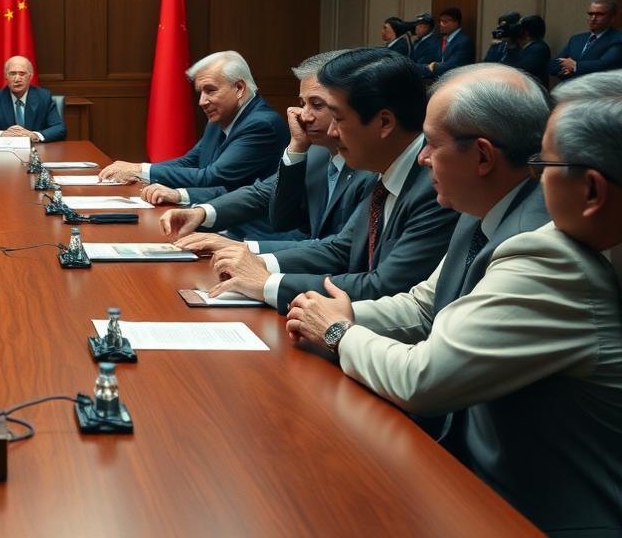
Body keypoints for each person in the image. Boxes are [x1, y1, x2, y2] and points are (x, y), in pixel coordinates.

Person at [286, 81, 621, 535]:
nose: (422, 158)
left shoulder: (548, 254)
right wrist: (328, 316)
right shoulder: (484, 211)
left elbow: (422, 380)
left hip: (529, 514)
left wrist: (338, 333)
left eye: (544, 163)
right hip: (473, 478)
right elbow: (426, 306)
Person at [200, 48, 458, 311]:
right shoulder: (384, 164)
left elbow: (384, 286)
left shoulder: (436, 184)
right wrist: (259, 263)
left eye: (338, 118)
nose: (332, 132)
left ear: (384, 123)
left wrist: (268, 284)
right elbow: (342, 248)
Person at [159, 50, 376, 247]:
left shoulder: (371, 166)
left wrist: (243, 249)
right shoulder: (317, 150)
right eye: (303, 104)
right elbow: (263, 193)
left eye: (317, 105)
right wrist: (201, 213)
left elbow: (338, 249)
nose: (304, 116)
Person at [99, 50, 287, 190]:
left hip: (248, 226)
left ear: (239, 88)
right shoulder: (221, 116)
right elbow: (192, 161)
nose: (202, 102)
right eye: (200, 92)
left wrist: (140, 170)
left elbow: (214, 177)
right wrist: (138, 173)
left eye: (210, 90)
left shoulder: (262, 125)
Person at [0, 55, 66, 142]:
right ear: (6, 76)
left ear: (30, 76)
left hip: (37, 150)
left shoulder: (43, 97)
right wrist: (2, 134)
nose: (17, 79)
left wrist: (34, 135)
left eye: (22, 74)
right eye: (12, 74)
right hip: (5, 151)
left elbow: (59, 128)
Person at [551, 0, 622, 81]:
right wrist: (568, 68)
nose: (593, 18)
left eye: (599, 14)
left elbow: (604, 65)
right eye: (590, 14)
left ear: (612, 18)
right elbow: (553, 65)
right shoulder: (576, 39)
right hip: (569, 87)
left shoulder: (618, 39)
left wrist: (575, 66)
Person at [423, 7, 472, 79]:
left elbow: (453, 65)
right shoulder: (439, 39)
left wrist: (434, 66)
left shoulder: (463, 41)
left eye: (445, 22)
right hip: (438, 78)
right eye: (440, 21)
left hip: (455, 80)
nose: (441, 24)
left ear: (456, 22)